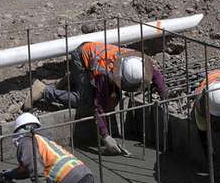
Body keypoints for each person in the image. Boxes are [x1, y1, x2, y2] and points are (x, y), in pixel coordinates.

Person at [35, 41, 168, 156]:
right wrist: (105, 136)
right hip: (81, 56)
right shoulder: (104, 75)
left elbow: (156, 75)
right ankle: (44, 90)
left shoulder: (138, 62)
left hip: (95, 53)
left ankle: (75, 80)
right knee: (83, 102)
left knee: (113, 99)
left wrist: (164, 96)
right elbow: (97, 106)